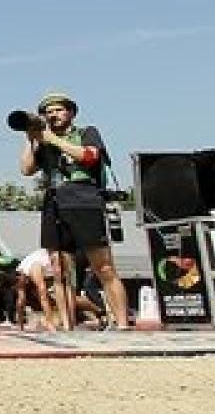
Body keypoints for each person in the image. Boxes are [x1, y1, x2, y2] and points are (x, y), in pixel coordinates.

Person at [19, 91, 130, 330]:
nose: (53, 115)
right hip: (54, 202)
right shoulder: (44, 141)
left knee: (104, 267)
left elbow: (90, 156)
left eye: (58, 110)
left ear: (70, 113)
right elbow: (26, 169)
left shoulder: (86, 133)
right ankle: (67, 326)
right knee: (59, 269)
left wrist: (54, 140)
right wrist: (33, 139)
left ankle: (122, 324)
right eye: (48, 112)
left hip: (84, 199)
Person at [15, 248, 57, 331]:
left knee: (42, 293)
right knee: (41, 293)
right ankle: (49, 323)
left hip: (39, 261)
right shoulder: (30, 268)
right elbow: (21, 301)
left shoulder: (31, 266)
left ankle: (49, 322)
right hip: (35, 263)